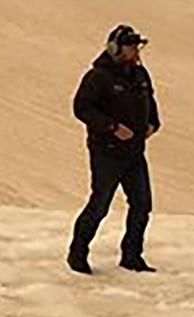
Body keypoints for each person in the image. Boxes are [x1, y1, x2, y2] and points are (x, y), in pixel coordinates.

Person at [67, 24, 162, 274]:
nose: (136, 51)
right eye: (131, 46)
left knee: (142, 205)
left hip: (134, 152)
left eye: (137, 46)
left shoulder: (140, 75)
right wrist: (111, 127)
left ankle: (132, 256)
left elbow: (150, 104)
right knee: (100, 205)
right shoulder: (98, 77)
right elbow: (82, 108)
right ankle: (77, 255)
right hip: (106, 151)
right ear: (116, 48)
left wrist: (153, 124)